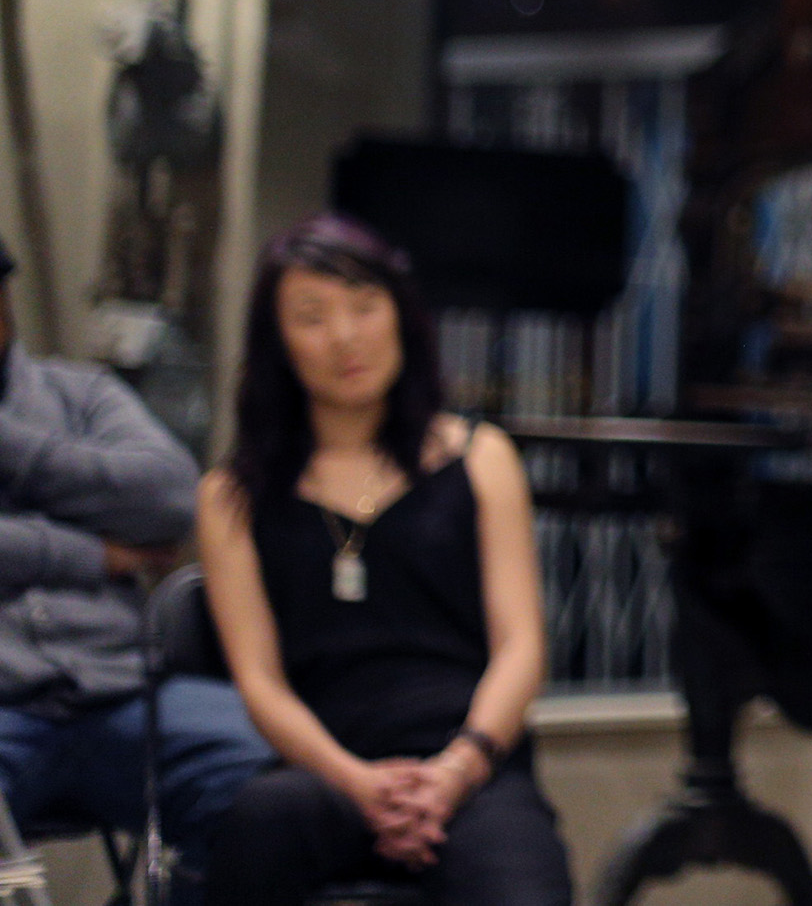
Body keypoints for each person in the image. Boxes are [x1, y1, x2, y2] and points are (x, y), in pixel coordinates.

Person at [196, 216, 572, 906]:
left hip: (472, 767)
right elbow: (260, 682)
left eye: (365, 306)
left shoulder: (480, 458)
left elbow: (521, 644)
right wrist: (355, 780)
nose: (345, 336)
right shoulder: (231, 495)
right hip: (323, 771)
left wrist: (457, 768)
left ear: (402, 315)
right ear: (277, 342)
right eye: (312, 317)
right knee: (257, 827)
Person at [0, 238, 273, 903]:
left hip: (125, 691)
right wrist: (94, 552)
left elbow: (169, 496)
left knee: (272, 783)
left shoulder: (82, 393)